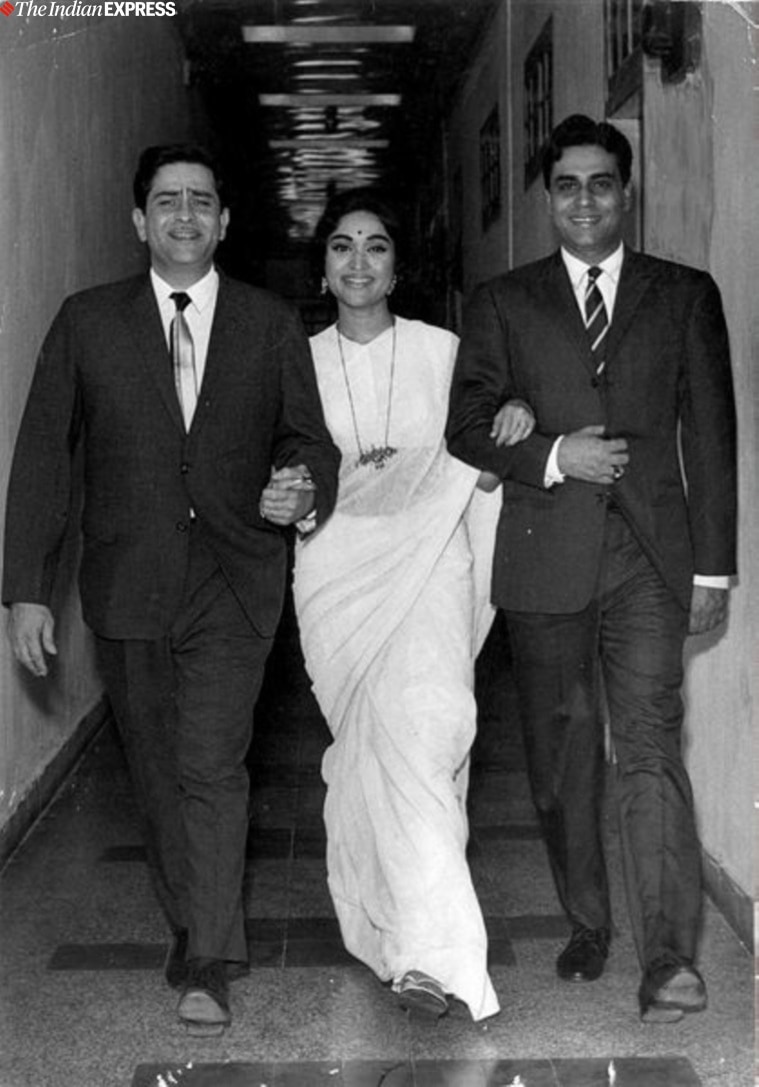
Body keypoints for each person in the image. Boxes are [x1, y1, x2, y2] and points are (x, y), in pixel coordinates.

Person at [2, 144, 340, 1035]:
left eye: (200, 200)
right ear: (138, 221)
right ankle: (196, 920)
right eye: (165, 201)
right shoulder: (87, 321)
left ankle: (208, 957)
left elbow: (310, 442)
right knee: (155, 774)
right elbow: (42, 454)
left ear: (225, 220)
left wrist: (300, 483)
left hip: (234, 578)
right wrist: (25, 589)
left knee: (211, 766)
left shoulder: (269, 325)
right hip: (128, 582)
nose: (184, 215)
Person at [446, 114, 737, 1024]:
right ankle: (586, 920)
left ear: (625, 191)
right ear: (547, 196)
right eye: (566, 185)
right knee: (563, 756)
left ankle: (667, 956)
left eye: (601, 183)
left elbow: (713, 441)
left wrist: (713, 573)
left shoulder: (683, 294)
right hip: (544, 557)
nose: (583, 200)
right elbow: (465, 426)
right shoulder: (502, 302)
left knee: (648, 744)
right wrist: (547, 452)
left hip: (649, 559)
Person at [267, 187, 532, 1023]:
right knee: (374, 751)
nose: (357, 261)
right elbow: (269, 462)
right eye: (341, 246)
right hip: (338, 576)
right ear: (322, 266)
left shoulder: (446, 351)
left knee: (429, 726)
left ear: (397, 265)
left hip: (431, 566)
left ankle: (429, 951)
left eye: (375, 246)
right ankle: (411, 942)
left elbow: (485, 436)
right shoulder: (292, 360)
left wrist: (514, 420)